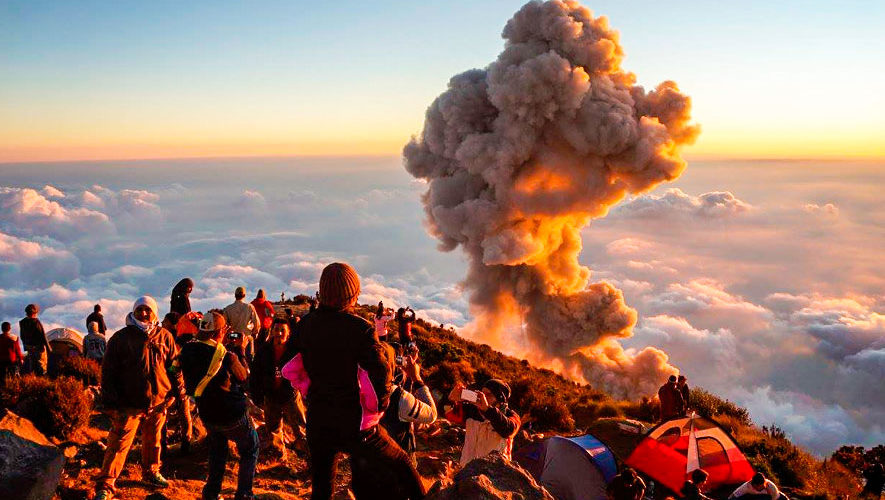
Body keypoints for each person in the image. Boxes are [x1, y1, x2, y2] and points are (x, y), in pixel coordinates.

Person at [281, 262, 424, 500]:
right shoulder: (361, 329)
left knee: (322, 489)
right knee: (403, 464)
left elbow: (289, 365)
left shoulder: (306, 324)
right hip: (355, 425)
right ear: (352, 295)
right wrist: (379, 407)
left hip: (318, 420)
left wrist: (308, 391)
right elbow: (380, 374)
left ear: (322, 292)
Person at [94, 296, 182, 500]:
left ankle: (151, 472)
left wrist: (177, 393)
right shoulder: (121, 338)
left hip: (159, 401)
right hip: (129, 404)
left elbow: (174, 367)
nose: (143, 313)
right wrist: (110, 402)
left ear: (154, 312)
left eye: (147, 310)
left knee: (154, 440)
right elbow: (108, 372)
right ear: (133, 312)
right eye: (139, 310)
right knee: (118, 444)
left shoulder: (164, 336)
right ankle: (106, 484)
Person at [178, 311, 258, 500]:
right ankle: (244, 493)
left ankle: (211, 493)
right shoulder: (225, 355)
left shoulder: (187, 350)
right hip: (232, 413)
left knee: (217, 452)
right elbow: (244, 377)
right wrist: (240, 351)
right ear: (220, 332)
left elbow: (176, 369)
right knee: (250, 447)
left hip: (207, 412)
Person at [251, 321, 307, 457]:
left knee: (300, 428)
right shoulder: (263, 351)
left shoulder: (294, 351)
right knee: (273, 430)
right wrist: (256, 395)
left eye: (283, 330)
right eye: (276, 329)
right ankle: (278, 456)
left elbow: (305, 371)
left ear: (288, 334)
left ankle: (309, 458)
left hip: (290, 395)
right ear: (271, 331)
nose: (279, 333)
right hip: (270, 396)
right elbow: (255, 373)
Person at [379, 342, 437, 458]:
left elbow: (403, 392)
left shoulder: (362, 385)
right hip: (398, 460)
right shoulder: (397, 398)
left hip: (368, 461)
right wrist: (417, 379)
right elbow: (431, 414)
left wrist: (407, 374)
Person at [446, 378, 521, 465]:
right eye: (482, 393)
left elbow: (508, 431)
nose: (484, 397)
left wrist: (488, 410)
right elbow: (447, 413)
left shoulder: (511, 416)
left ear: (500, 399)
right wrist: (451, 399)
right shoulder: (471, 410)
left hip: (495, 473)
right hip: (467, 470)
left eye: (488, 395)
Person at [223, 287, 260, 359]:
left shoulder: (228, 308)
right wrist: (255, 332)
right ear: (244, 295)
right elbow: (257, 323)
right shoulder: (249, 307)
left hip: (233, 337)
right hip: (246, 336)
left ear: (235, 295)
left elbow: (225, 325)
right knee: (248, 359)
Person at [19, 303, 51, 376]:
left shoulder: (22, 322)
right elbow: (43, 336)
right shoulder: (36, 322)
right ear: (35, 313)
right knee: (41, 364)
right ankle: (43, 380)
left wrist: (25, 345)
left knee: (32, 364)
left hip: (29, 346)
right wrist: (49, 348)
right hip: (38, 347)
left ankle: (33, 379)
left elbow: (22, 336)